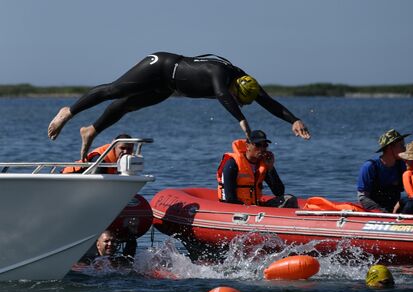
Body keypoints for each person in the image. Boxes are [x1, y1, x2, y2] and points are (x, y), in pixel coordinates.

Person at [48, 52, 311, 161]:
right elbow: (221, 94)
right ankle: (68, 112)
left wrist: (294, 120)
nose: (240, 102)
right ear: (236, 89)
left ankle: (91, 130)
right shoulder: (221, 74)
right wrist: (242, 122)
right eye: (239, 99)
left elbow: (269, 102)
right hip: (161, 66)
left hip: (168, 87)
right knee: (115, 90)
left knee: (127, 106)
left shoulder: (246, 81)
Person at [217, 130, 298, 208]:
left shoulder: (263, 165)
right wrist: (249, 208)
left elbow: (279, 192)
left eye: (265, 145)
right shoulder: (232, 164)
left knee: (289, 199)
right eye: (258, 145)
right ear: (247, 146)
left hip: (256, 206)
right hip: (237, 207)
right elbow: (230, 198)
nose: (262, 149)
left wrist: (270, 168)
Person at [357, 129, 410, 212]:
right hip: (375, 211)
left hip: (394, 209)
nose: (405, 149)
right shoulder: (370, 167)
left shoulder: (403, 165)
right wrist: (382, 212)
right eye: (401, 145)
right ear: (389, 148)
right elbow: (362, 197)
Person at [62, 133, 134, 174]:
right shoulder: (100, 160)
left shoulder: (129, 161)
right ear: (114, 146)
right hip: (67, 178)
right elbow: (94, 185)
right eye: (122, 148)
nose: (126, 152)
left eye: (129, 149)